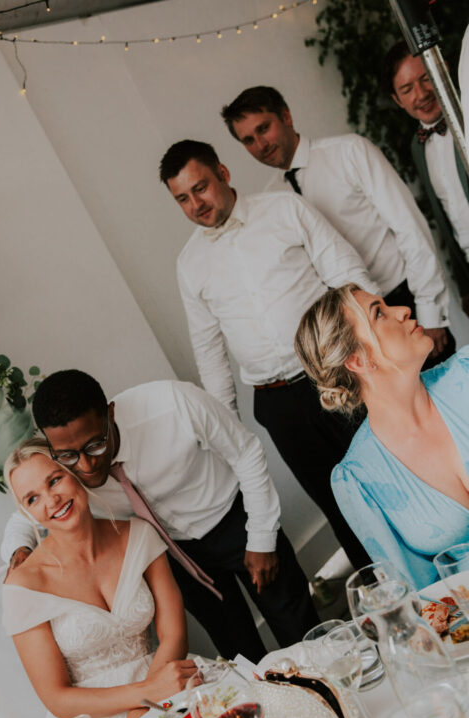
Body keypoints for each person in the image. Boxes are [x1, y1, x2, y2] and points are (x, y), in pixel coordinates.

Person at [159, 138, 377, 570]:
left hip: (337, 371)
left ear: (223, 173)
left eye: (200, 188)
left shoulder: (284, 209)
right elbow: (210, 351)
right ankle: (384, 595)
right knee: (339, 504)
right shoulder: (190, 263)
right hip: (279, 403)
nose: (195, 205)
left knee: (391, 474)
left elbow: (347, 274)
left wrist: (374, 348)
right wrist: (227, 431)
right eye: (182, 199)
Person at [2, 372, 318, 663]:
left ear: (110, 414)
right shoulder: (62, 460)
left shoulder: (173, 404)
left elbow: (246, 451)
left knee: (300, 632)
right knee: (241, 654)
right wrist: (20, 549)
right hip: (176, 555)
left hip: (236, 521)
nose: (85, 466)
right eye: (69, 455)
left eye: (95, 445)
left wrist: (261, 537)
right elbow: (28, 512)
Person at [2, 437, 198, 718]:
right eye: (33, 498)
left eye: (55, 480)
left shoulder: (138, 534)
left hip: (164, 675)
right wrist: (145, 699)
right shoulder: (24, 585)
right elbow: (57, 697)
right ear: (26, 513)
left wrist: (145, 709)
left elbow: (174, 633)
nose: (52, 500)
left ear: (74, 472)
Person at [220, 85, 454, 368]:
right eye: (248, 140)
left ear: (286, 116)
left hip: (405, 304)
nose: (260, 144)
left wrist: (430, 314)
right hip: (357, 331)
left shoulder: (350, 151)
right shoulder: (273, 201)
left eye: (264, 128)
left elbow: (409, 227)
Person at [294, 283, 469, 590]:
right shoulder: (357, 479)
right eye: (379, 314)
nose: (403, 310)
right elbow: (414, 594)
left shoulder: (466, 373)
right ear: (358, 360)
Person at [382, 42, 469, 315]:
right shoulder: (417, 147)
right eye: (407, 89)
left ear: (443, 69)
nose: (421, 94)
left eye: (426, 78)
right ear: (397, 100)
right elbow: (447, 220)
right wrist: (465, 285)